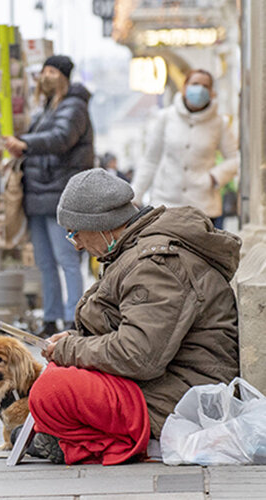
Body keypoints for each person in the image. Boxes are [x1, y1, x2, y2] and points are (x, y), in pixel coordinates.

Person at [19, 168, 239, 466]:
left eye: (75, 233)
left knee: (52, 390)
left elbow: (140, 355)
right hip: (164, 379)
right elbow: (133, 331)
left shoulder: (155, 265)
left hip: (184, 394)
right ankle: (80, 440)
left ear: (101, 226)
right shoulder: (134, 251)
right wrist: (74, 341)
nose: (78, 244)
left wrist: (71, 350)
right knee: (56, 380)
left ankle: (96, 444)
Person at [4, 55, 93, 338]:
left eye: (52, 71)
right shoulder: (46, 108)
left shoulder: (75, 106)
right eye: (43, 71)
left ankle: (73, 318)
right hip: (38, 194)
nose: (46, 76)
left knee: (66, 259)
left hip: (60, 193)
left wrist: (25, 143)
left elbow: (61, 138)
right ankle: (51, 317)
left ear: (64, 75)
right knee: (44, 262)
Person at [131, 69, 239, 229]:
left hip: (203, 206)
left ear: (212, 92)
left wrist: (214, 178)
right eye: (195, 84)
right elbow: (150, 160)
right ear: (185, 87)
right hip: (165, 203)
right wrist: (135, 196)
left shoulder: (219, 123)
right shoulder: (166, 117)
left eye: (205, 86)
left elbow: (235, 158)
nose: (200, 89)